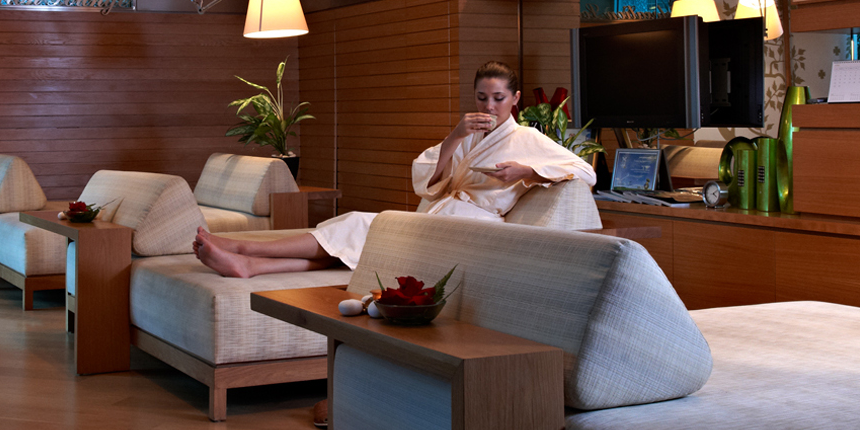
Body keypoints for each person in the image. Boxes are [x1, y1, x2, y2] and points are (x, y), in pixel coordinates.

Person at [193, 60, 596, 279]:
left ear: (515, 98)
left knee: (358, 225)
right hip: (440, 219)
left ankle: (245, 247)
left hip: (475, 229)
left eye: (498, 98)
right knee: (355, 239)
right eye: (481, 97)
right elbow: (428, 179)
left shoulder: (529, 139)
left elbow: (585, 172)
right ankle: (249, 263)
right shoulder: (468, 131)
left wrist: (525, 171)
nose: (488, 107)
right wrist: (455, 135)